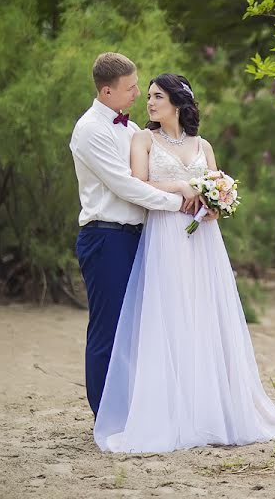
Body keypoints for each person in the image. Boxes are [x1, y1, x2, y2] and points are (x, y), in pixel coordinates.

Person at [93, 73, 275, 452]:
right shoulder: (143, 139)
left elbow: (216, 184)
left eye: (157, 97)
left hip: (203, 239)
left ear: (178, 103)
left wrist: (217, 203)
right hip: (165, 236)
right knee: (169, 315)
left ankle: (211, 409)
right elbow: (137, 184)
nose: (150, 103)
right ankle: (173, 411)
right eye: (148, 96)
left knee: (205, 314)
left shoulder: (203, 144)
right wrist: (183, 187)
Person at [70, 53, 200, 417]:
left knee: (138, 329)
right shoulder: (90, 130)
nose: (138, 93)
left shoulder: (130, 130)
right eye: (131, 88)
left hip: (140, 238)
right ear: (107, 90)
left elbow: (152, 171)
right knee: (108, 330)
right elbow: (126, 187)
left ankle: (134, 409)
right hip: (105, 237)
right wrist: (179, 202)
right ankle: (105, 415)